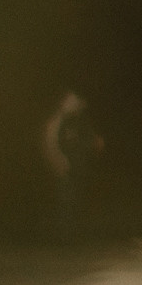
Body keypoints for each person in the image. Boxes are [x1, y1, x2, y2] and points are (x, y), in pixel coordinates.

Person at [41, 91, 99, 243]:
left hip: (77, 170)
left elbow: (84, 141)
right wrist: (60, 163)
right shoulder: (57, 121)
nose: (74, 105)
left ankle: (75, 236)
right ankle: (64, 237)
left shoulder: (77, 121)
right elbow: (50, 144)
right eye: (70, 102)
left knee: (76, 202)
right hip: (64, 170)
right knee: (65, 203)